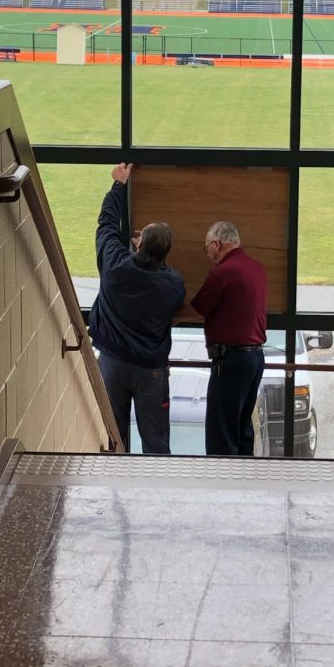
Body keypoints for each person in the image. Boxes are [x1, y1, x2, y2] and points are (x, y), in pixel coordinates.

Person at [89, 163, 185, 454]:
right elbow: (159, 283)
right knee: (155, 440)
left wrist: (118, 186)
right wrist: (144, 253)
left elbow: (106, 225)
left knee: (115, 437)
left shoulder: (116, 267)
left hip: (113, 364)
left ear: (139, 243)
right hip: (150, 371)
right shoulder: (173, 284)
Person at [188, 221, 267, 456]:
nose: (208, 254)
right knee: (242, 427)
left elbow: (197, 309)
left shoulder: (222, 273)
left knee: (221, 432)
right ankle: (244, 483)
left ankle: (221, 488)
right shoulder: (257, 268)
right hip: (255, 359)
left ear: (216, 244)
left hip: (230, 361)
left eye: (207, 249)